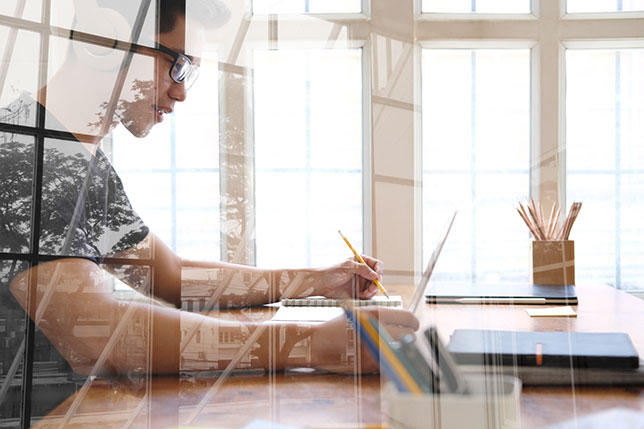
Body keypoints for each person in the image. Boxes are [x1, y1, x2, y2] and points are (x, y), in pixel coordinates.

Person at [1, 0, 418, 378]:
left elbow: (174, 278)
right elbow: (96, 332)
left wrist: (317, 281)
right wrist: (309, 344)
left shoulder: (73, 158)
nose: (181, 92)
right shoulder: (20, 155)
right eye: (176, 65)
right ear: (106, 42)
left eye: (190, 73)